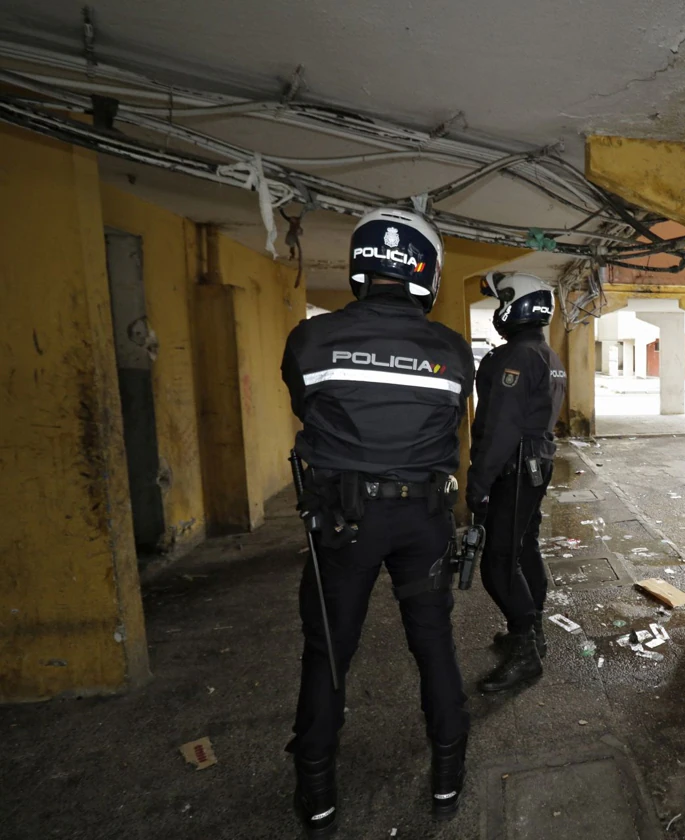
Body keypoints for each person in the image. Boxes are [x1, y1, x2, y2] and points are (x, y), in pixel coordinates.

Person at [280, 208, 475, 833]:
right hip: (424, 520)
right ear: (427, 272)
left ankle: (317, 793)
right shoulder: (450, 349)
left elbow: (304, 403)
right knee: (434, 643)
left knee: (329, 651)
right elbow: (455, 426)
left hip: (344, 523)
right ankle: (447, 780)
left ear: (360, 266)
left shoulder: (311, 340)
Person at [467, 272, 566, 694]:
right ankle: (532, 631)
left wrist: (478, 482)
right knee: (524, 547)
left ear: (517, 305)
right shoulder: (547, 354)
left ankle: (526, 651)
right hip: (535, 466)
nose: (496, 311)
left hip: (513, 467)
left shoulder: (515, 358)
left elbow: (501, 429)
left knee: (497, 562)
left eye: (499, 302)